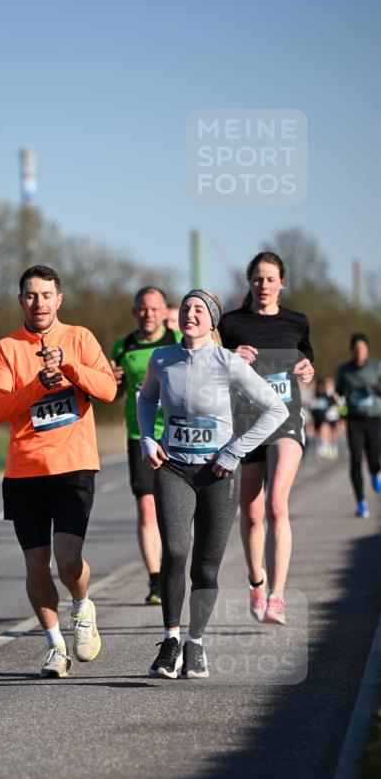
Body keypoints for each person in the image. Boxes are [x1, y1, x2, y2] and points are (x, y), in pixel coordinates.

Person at [138, 290, 288, 680]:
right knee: (173, 550)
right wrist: (147, 439)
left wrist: (235, 451)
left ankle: (196, 643)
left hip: (217, 475)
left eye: (199, 310)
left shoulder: (228, 363)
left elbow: (276, 409)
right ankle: (170, 642)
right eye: (186, 308)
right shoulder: (163, 358)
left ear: (212, 320)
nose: (190, 314)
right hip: (173, 468)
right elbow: (146, 399)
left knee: (205, 569)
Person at [0, 264, 117, 679]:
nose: (38, 303)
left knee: (68, 559)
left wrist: (71, 369)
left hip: (74, 465)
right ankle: (55, 645)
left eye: (45, 295)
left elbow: (108, 390)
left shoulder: (80, 338)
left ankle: (81, 607)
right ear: (20, 300)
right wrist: (38, 385)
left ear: (59, 299)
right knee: (37, 566)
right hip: (25, 472)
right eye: (30, 295)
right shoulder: (7, 348)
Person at [218, 252, 315, 626]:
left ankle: (277, 596)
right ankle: (256, 582)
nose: (264, 285)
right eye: (257, 279)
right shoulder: (230, 323)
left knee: (276, 504)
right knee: (252, 511)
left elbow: (307, 361)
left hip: (286, 420)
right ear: (249, 282)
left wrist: (307, 369)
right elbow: (206, 361)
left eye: (271, 279)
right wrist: (229, 355)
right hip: (245, 423)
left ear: (282, 283)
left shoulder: (297, 322)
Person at [110, 287, 181, 604]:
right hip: (141, 437)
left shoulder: (179, 341)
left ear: (165, 311)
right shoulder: (123, 346)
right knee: (146, 507)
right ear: (134, 311)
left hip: (179, 435)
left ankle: (176, 569)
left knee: (178, 511)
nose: (148, 314)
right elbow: (112, 395)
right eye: (142, 308)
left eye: (154, 308)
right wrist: (111, 380)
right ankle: (155, 581)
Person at [335, 333, 381, 518]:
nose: (359, 351)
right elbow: (339, 392)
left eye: (362, 348)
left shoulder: (376, 367)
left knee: (373, 457)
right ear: (351, 350)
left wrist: (374, 389)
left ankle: (375, 473)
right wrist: (339, 396)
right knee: (355, 458)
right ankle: (361, 502)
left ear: (367, 349)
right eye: (355, 348)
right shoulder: (344, 369)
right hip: (354, 419)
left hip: (375, 418)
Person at [310, 376, 341, 459]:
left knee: (333, 432)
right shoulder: (323, 392)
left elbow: (338, 404)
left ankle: (333, 446)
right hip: (325, 416)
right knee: (324, 431)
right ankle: (325, 447)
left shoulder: (333, 393)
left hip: (334, 415)